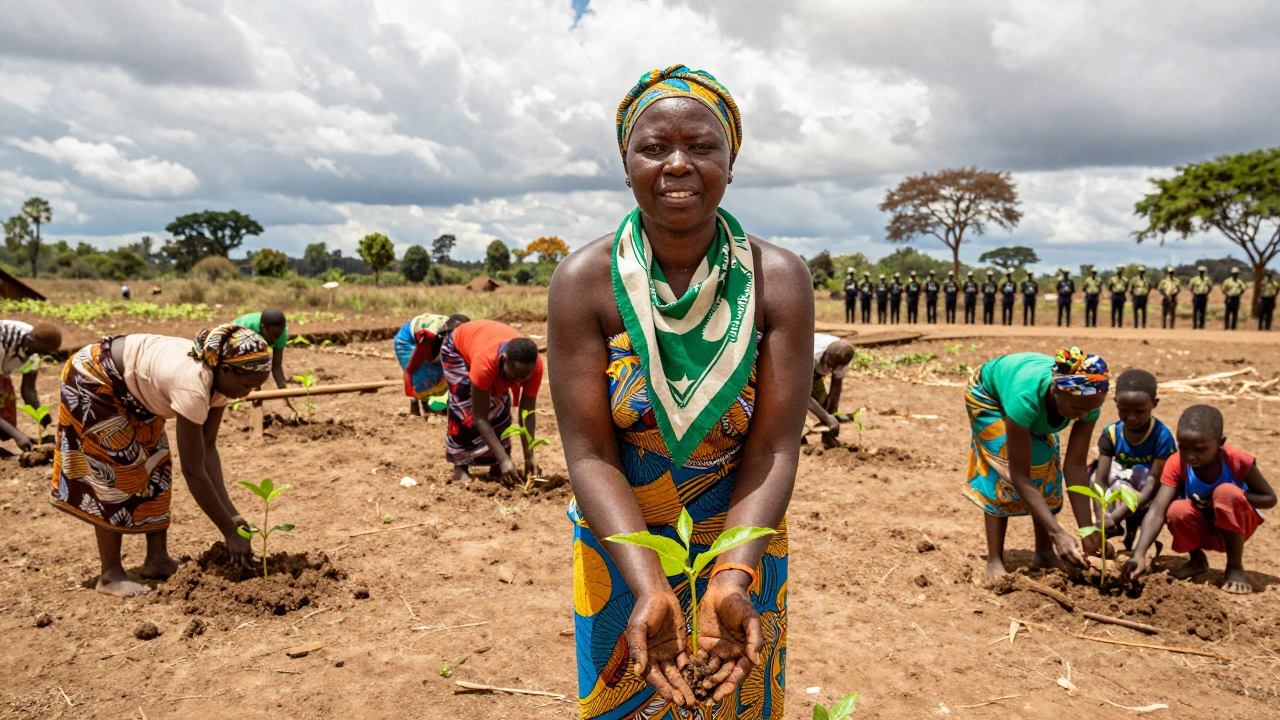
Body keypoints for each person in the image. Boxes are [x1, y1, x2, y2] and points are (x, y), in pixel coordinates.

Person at [548, 64, 804, 716]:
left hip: (741, 540)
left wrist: (732, 577)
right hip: (624, 547)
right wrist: (647, 585)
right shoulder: (584, 282)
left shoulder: (778, 280)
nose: (678, 164)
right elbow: (589, 454)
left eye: (702, 146)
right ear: (626, 163)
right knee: (630, 697)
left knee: (733, 701)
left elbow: (774, 447)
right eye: (654, 148)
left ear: (731, 162)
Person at [49, 325, 271, 597]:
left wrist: (233, 517)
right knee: (117, 467)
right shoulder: (191, 383)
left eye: (257, 387)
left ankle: (157, 560)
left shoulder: (222, 377)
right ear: (225, 370)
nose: (249, 393)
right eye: (248, 385)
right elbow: (193, 470)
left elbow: (207, 446)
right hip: (96, 377)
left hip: (136, 392)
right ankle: (110, 574)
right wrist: (228, 530)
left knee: (157, 464)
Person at [963, 347, 1107, 580]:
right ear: (1056, 392)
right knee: (1003, 469)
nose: (1083, 415)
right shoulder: (1025, 398)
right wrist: (1058, 532)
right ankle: (994, 559)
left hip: (1026, 400)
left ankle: (1044, 553)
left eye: (1090, 410)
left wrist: (1087, 531)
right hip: (988, 395)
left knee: (1048, 467)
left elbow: (1075, 467)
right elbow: (1019, 475)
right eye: (1077, 409)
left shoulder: (1086, 399)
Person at [1123, 405, 1276, 595]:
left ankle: (1235, 567)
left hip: (1237, 527)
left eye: (1200, 449)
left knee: (1226, 492)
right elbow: (1157, 511)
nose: (1190, 456)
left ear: (1220, 442)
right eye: (1183, 448)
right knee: (1176, 509)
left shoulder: (1237, 460)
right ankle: (1197, 560)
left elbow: (1269, 498)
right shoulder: (1177, 462)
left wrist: (1216, 501)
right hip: (1201, 528)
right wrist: (1139, 554)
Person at [441, 319, 543, 485]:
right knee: (464, 407)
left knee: (500, 408)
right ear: (504, 360)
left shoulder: (535, 366)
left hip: (484, 344)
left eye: (523, 379)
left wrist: (529, 457)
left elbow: (527, 414)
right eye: (513, 377)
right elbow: (480, 418)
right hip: (457, 349)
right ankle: (460, 466)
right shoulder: (485, 364)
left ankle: (496, 466)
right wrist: (504, 459)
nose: (517, 383)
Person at [1088, 369, 1176, 551]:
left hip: (1148, 493)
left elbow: (1152, 484)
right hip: (1120, 489)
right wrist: (1102, 518)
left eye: (1139, 411)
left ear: (1154, 404)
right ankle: (1111, 533)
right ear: (1116, 403)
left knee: (1142, 474)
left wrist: (1117, 515)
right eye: (1124, 410)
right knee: (1096, 475)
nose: (1132, 417)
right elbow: (1100, 480)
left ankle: (1141, 539)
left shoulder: (1161, 436)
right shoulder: (1111, 433)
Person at [0, 321, 62, 454]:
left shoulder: (35, 348)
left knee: (5, 397)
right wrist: (17, 435)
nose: (40, 356)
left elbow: (28, 389)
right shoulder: (4, 340)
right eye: (40, 351)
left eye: (44, 353)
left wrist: (43, 417)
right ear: (31, 340)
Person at [394, 313, 469, 416]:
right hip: (407, 341)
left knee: (444, 370)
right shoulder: (430, 338)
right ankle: (420, 405)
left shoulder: (459, 336)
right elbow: (413, 368)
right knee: (423, 373)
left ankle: (435, 405)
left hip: (432, 344)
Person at [231, 309, 291, 393]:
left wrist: (286, 393)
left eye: (277, 336)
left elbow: (277, 367)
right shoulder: (245, 328)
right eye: (272, 336)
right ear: (263, 328)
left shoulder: (280, 334)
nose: (275, 340)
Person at [811, 334, 853, 448]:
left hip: (815, 374)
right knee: (792, 404)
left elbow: (835, 387)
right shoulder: (813, 354)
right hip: (793, 365)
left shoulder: (843, 357)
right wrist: (826, 418)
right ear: (826, 354)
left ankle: (828, 438)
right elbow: (801, 394)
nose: (831, 369)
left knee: (824, 403)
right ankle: (796, 438)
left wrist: (832, 413)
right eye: (830, 365)